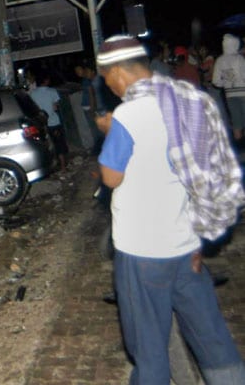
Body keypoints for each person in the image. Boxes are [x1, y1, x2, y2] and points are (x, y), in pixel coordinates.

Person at [94, 34, 245, 385]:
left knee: (148, 350)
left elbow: (111, 177)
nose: (110, 87)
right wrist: (204, 236)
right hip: (187, 247)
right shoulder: (194, 100)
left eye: (107, 80)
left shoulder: (128, 115)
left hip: (141, 252)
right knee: (212, 338)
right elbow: (216, 169)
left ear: (117, 73)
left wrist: (108, 130)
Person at [30, 71, 68, 171]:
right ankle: (63, 166)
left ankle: (51, 167)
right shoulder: (52, 91)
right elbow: (56, 107)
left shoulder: (32, 94)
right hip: (54, 122)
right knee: (59, 144)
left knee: (47, 145)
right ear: (46, 81)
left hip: (41, 124)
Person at [212, 33, 245, 146]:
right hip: (243, 92)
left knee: (236, 122)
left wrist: (227, 83)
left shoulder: (220, 60)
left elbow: (215, 81)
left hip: (230, 95)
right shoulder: (239, 58)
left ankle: (238, 149)